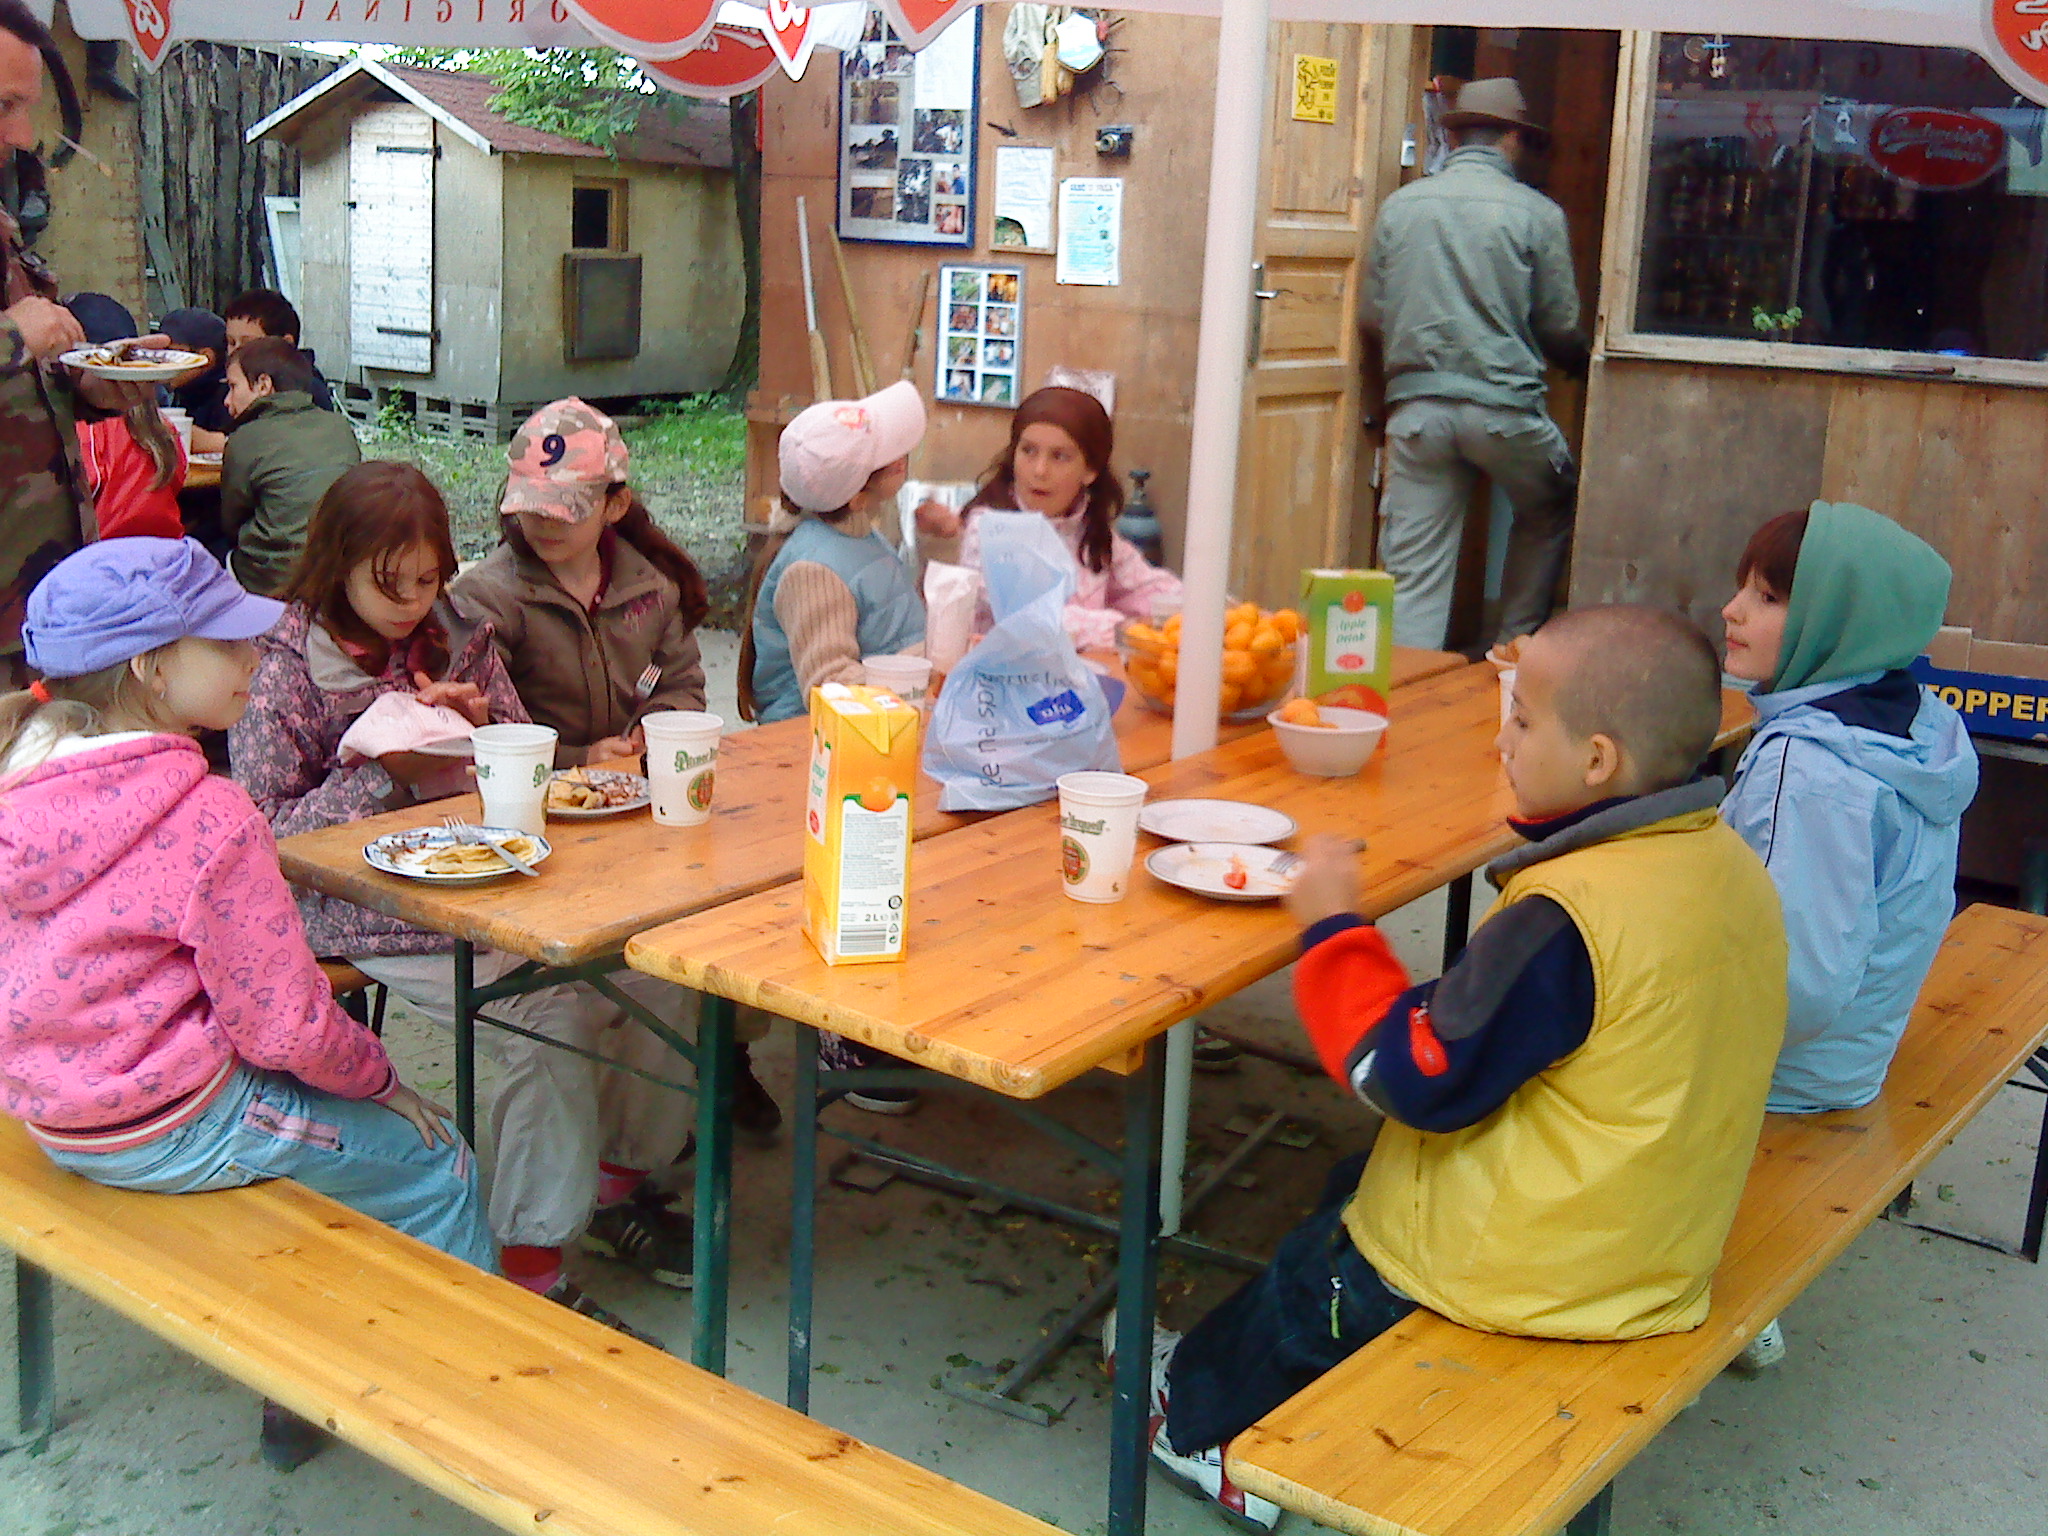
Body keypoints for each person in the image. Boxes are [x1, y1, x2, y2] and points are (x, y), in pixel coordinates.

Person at [1109, 605, 1787, 1529]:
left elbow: (1407, 1077)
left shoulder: (1563, 920)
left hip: (1535, 1274)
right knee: (1353, 1178)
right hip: (1653, 1241)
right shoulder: (1722, 862)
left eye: (1522, 720)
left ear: (1597, 760)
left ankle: (1199, 1423)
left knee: (1332, 1266)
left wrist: (1335, 929)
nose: (1501, 740)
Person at [0, 536, 494, 1470]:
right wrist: (384, 1082)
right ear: (151, 667)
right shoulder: (206, 816)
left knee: (331, 1149)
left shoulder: (18, 784)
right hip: (169, 1122)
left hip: (54, 1115)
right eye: (224, 643)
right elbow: (285, 1025)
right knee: (438, 1163)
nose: (255, 655)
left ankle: (323, 1370)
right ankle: (478, 1410)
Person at [228, 462, 699, 1341]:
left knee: (656, 975)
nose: (413, 603)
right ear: (337, 565)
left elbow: (520, 750)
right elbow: (260, 833)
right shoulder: (286, 667)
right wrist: (380, 769)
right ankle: (531, 1263)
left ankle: (618, 1183)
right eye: (390, 584)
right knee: (545, 1013)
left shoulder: (456, 636)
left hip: (490, 875)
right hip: (362, 908)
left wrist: (483, 732)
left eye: (428, 580)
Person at [452, 399, 781, 1138]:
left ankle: (716, 1061)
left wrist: (650, 737)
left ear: (614, 505)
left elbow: (682, 684)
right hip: (537, 827)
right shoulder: (487, 598)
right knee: (602, 988)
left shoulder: (647, 588)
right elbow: (483, 734)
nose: (546, 525)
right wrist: (576, 761)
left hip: (641, 810)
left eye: (568, 509)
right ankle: (636, 1119)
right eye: (533, 507)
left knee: (729, 918)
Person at [1720, 504, 1975, 1113]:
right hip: (1846, 1060)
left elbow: (1794, 987)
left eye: (1769, 598)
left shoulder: (1809, 769)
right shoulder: (1914, 726)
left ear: (1841, 623)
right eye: (1743, 588)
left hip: (1767, 1077)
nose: (1733, 610)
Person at [1365, 78, 1588, 652]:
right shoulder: (1538, 213)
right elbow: (1559, 325)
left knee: (1414, 576)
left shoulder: (1400, 206)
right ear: (1512, 138)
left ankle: (1409, 683)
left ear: (1456, 136)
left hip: (1417, 415)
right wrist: (1578, 362)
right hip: (1505, 414)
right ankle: (1511, 653)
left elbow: (1371, 315)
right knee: (1549, 505)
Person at [0, 0, 159, 685]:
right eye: (4, 106)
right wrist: (12, 334)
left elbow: (26, 376)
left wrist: (95, 382)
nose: (22, 135)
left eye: (26, 107)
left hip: (37, 601)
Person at [742, 379, 928, 726]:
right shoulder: (814, 573)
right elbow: (831, 688)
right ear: (857, 498)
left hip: (885, 725)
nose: (903, 457)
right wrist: (919, 673)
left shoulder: (858, 535)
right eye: (893, 456)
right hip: (810, 742)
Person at [953, 385, 1181, 651]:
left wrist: (1204, 615)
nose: (1039, 470)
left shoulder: (1090, 533)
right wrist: (1124, 629)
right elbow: (1034, 620)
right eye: (1028, 451)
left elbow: (1154, 590)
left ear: (1090, 470)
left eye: (1059, 456)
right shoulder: (988, 530)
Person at [218, 336, 363, 596]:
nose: (227, 401)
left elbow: (232, 521)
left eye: (233, 386)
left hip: (271, 579)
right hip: (338, 571)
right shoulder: (338, 425)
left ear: (263, 385)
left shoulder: (246, 438)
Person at [66, 291, 185, 539]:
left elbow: (83, 486)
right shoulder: (163, 426)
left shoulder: (86, 430)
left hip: (103, 554)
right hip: (165, 552)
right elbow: (178, 477)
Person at [223, 287, 337, 411]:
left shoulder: (307, 392)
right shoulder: (225, 384)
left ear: (285, 343)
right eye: (231, 342)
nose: (235, 352)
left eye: (248, 344)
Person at [159, 306, 235, 447]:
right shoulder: (185, 391)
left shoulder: (228, 399)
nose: (162, 361)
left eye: (172, 354)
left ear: (205, 358)